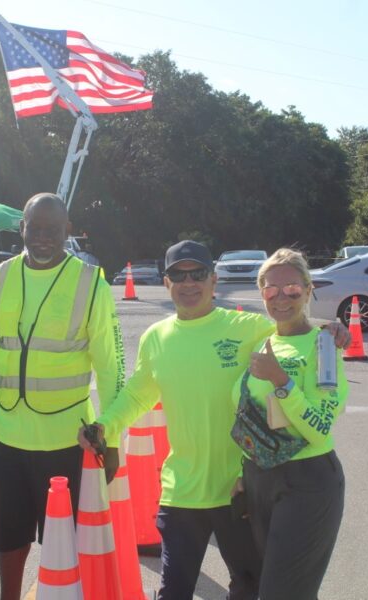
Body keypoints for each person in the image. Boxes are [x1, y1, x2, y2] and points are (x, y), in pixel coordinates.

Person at [78, 240, 349, 600]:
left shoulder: (247, 327)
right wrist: (104, 426)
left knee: (250, 588)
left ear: (213, 280)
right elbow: (136, 395)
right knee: (173, 592)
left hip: (237, 491)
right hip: (183, 490)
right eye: (179, 275)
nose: (189, 283)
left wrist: (330, 330)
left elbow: (290, 322)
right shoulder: (155, 338)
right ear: (166, 282)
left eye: (198, 274)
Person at [0, 192, 125, 600]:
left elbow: (110, 367)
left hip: (67, 441)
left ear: (68, 231)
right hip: (9, 440)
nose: (43, 237)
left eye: (52, 230)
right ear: (22, 228)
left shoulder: (90, 283)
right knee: (10, 537)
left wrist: (115, 438)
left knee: (66, 543)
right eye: (34, 228)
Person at [237, 247, 347, 600]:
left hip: (308, 481)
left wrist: (282, 382)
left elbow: (320, 428)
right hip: (259, 478)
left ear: (309, 289)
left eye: (292, 289)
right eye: (271, 290)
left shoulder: (324, 345)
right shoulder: (261, 341)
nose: (281, 298)